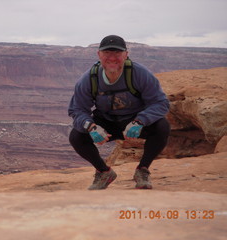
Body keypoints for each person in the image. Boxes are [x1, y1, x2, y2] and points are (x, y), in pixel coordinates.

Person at [68, 35, 170, 190]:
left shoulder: (140, 74)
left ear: (126, 54)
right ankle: (104, 172)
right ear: (99, 55)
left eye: (117, 53)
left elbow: (160, 103)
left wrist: (140, 121)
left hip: (134, 121)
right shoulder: (89, 78)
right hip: (106, 122)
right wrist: (90, 126)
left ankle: (142, 170)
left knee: (162, 127)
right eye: (107, 53)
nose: (112, 58)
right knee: (76, 136)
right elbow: (77, 109)